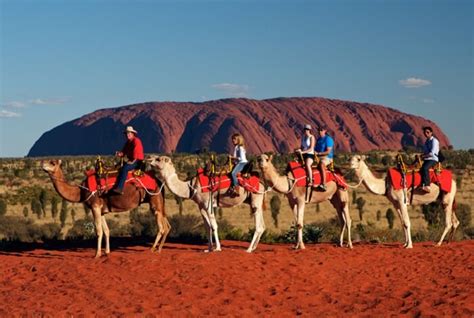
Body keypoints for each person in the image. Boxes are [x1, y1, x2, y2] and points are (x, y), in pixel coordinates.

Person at [112, 126, 144, 194]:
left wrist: (132, 162)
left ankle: (120, 188)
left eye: (129, 133)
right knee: (117, 167)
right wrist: (119, 154)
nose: (127, 135)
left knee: (125, 168)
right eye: (126, 133)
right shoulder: (128, 142)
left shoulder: (136, 141)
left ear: (133, 134)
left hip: (137, 161)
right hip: (132, 160)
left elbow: (136, 152)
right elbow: (123, 152)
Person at [314, 126, 334, 191]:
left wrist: (319, 153)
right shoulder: (319, 140)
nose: (319, 131)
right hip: (317, 157)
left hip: (327, 157)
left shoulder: (328, 139)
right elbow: (315, 149)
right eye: (319, 130)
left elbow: (328, 151)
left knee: (321, 164)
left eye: (321, 130)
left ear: (325, 131)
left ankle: (323, 184)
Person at [420, 126, 439, 193]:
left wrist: (424, 156)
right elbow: (425, 152)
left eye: (427, 132)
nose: (426, 134)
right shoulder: (426, 142)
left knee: (425, 168)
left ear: (431, 133)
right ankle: (421, 184)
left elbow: (432, 153)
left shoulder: (434, 141)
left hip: (433, 159)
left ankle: (427, 186)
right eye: (425, 132)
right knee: (419, 168)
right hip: (427, 159)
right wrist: (421, 156)